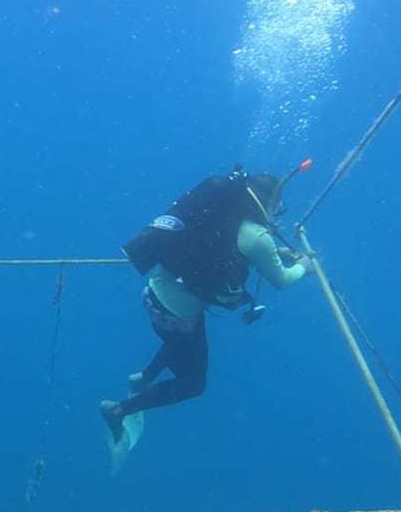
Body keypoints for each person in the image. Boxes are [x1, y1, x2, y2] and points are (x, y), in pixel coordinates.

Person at [100, 165, 313, 443]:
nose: (278, 212)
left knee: (185, 336)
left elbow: (228, 249)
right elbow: (282, 280)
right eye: (278, 205)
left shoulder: (223, 213)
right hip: (176, 316)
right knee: (193, 384)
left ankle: (144, 378)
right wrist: (305, 267)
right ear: (267, 202)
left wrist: (276, 251)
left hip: (154, 295)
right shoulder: (258, 237)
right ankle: (118, 410)